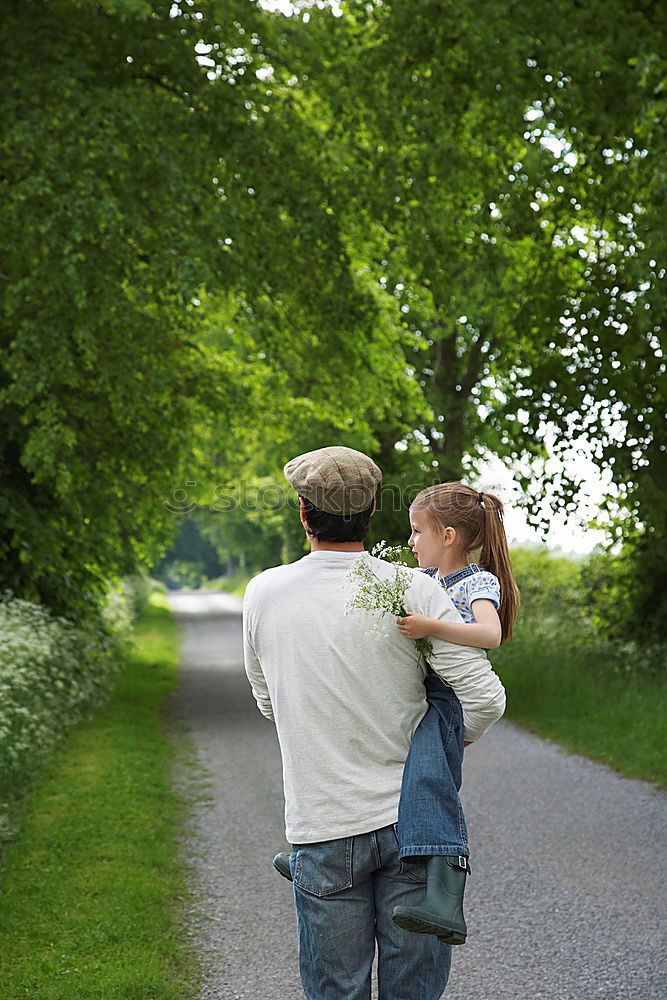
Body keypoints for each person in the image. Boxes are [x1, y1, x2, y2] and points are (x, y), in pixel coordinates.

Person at [243, 446, 506, 1000]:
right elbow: (483, 700)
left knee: (337, 991)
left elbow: (270, 703)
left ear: (302, 511)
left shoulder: (263, 593)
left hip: (321, 825)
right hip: (414, 827)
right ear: (369, 514)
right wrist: (432, 756)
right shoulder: (414, 588)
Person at [390, 482, 520, 944]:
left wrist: (429, 625)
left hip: (447, 699)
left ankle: (445, 899)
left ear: (447, 536)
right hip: (422, 691)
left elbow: (490, 634)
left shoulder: (475, 582)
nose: (410, 542)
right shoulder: (426, 581)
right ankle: (323, 854)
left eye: (416, 531)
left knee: (430, 780)